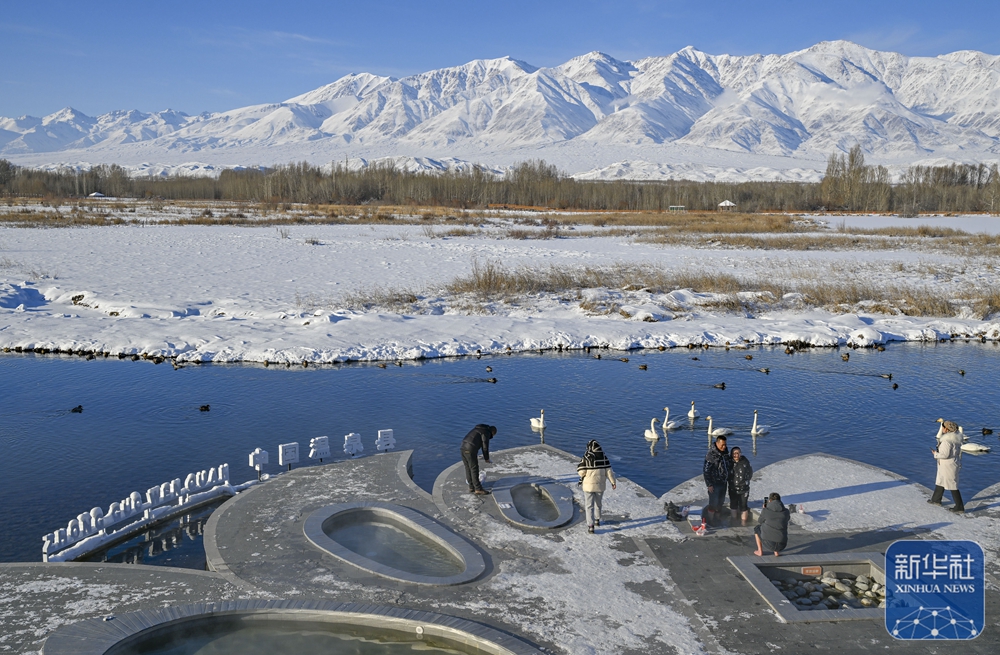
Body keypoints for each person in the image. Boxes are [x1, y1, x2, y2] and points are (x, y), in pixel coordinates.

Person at [577, 440, 616, 534]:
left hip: (588, 486)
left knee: (589, 505)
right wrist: (613, 482)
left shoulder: (586, 457)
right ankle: (597, 520)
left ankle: (590, 526)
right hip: (600, 485)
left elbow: (581, 472)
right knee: (598, 503)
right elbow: (609, 472)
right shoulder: (604, 457)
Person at [928, 420, 964, 513]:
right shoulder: (956, 438)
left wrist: (935, 454)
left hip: (947, 465)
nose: (942, 428)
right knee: (941, 480)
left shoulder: (946, 441)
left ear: (947, 429)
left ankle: (959, 506)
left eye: (944, 427)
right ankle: (936, 499)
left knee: (952, 484)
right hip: (950, 464)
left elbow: (945, 454)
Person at [460, 424, 496, 495]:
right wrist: (487, 458)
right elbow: (485, 447)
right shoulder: (486, 432)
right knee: (474, 468)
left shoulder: (478, 429)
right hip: (470, 449)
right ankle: (478, 488)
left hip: (462, 447)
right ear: (492, 432)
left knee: (468, 467)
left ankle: (471, 487)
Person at [703, 435, 730, 524]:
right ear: (717, 443)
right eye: (722, 445)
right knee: (713, 503)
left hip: (723, 482)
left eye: (725, 444)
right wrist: (709, 484)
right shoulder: (711, 455)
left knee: (720, 503)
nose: (724, 447)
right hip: (714, 483)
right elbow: (706, 470)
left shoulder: (725, 453)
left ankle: (717, 519)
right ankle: (710, 520)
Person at [753, 492, 790, 556]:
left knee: (757, 528)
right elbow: (787, 519)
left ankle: (760, 551)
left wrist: (764, 509)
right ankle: (776, 552)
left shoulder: (766, 511)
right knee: (778, 526)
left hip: (769, 544)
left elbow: (760, 521)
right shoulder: (786, 512)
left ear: (770, 501)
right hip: (782, 545)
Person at [728, 446, 752, 524]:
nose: (736, 455)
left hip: (744, 488)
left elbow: (750, 471)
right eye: (734, 453)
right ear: (731, 454)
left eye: (738, 453)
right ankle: (734, 522)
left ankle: (743, 523)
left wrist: (746, 480)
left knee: (743, 506)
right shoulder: (729, 462)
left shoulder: (745, 461)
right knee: (733, 505)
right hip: (733, 488)